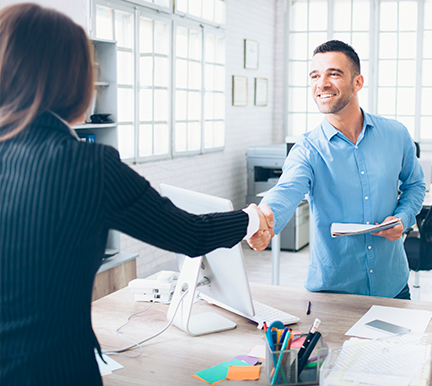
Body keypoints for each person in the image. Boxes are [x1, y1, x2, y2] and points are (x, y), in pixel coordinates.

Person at [0, 4, 273, 385]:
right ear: (73, 79)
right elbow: (190, 235)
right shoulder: (86, 166)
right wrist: (253, 218)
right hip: (52, 369)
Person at [248, 40, 426, 300]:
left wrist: (403, 217)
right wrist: (264, 219)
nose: (322, 83)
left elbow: (415, 185)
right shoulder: (308, 149)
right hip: (332, 295)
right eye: (315, 76)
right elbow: (286, 190)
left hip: (394, 288)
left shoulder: (396, 134)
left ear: (358, 82)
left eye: (334, 73)